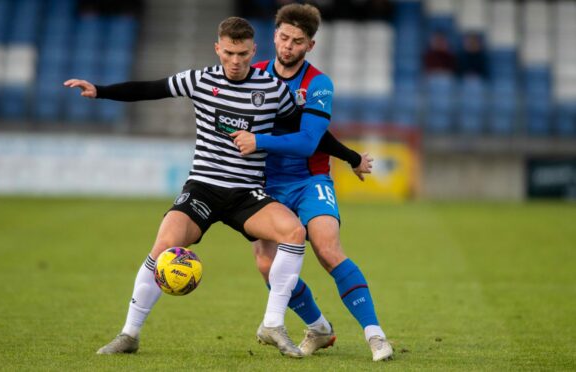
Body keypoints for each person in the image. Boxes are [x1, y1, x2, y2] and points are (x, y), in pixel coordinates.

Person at [64, 16, 332, 358]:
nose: (236, 62)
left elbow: (313, 135)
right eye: (230, 53)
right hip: (203, 188)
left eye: (244, 55)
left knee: (294, 232)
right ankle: (129, 334)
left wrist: (352, 157)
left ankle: (273, 324)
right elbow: (150, 89)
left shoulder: (273, 90)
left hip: (246, 193)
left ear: (254, 51)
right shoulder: (200, 79)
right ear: (218, 48)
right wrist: (100, 90)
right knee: (163, 243)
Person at [232, 4, 394, 361]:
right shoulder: (252, 74)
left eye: (298, 41)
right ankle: (319, 328)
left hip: (310, 179)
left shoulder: (318, 83)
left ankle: (376, 335)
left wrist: (259, 141)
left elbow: (310, 140)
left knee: (327, 248)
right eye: (284, 38)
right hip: (265, 184)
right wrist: (352, 156)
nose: (289, 46)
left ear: (311, 45)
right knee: (265, 265)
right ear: (274, 35)